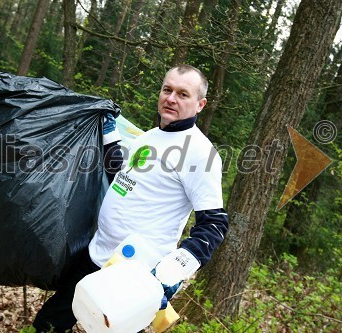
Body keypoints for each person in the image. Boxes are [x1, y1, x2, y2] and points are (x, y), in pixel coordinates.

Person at [33, 64, 229, 332]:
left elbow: (214, 224)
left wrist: (173, 271)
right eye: (167, 89)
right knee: (49, 321)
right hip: (98, 254)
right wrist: (110, 134)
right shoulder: (148, 137)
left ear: (200, 104)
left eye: (183, 94)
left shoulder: (200, 153)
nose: (171, 98)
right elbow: (123, 178)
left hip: (134, 275)